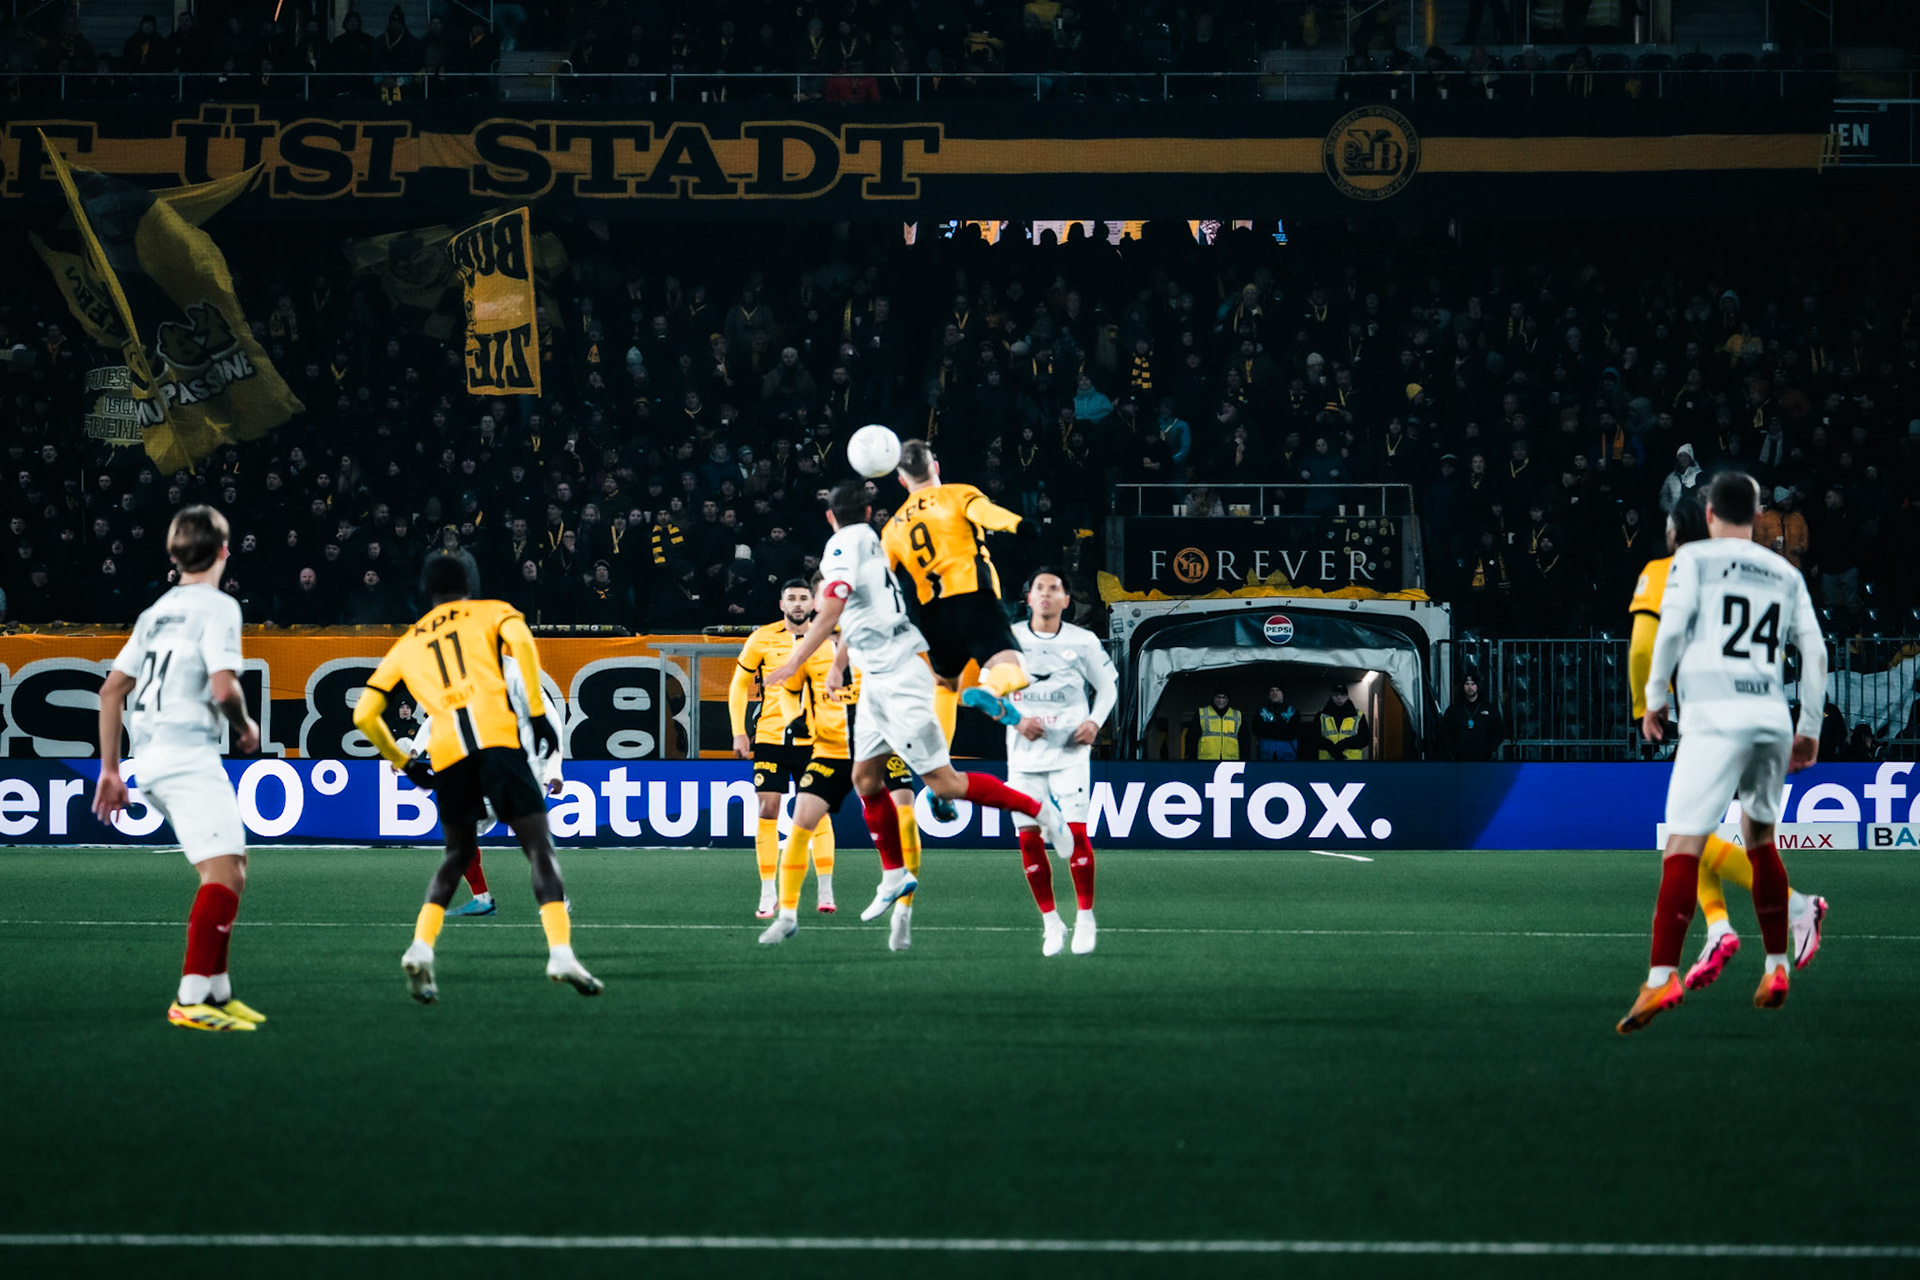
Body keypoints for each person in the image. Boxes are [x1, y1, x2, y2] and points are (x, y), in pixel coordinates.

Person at [764, 481, 1071, 946]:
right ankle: (893, 875)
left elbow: (832, 609)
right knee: (864, 779)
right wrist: (840, 664)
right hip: (876, 678)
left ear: (830, 517)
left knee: (944, 783)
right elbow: (855, 614)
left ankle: (1039, 810)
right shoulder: (877, 541)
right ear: (870, 510)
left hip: (899, 680)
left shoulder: (842, 546)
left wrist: (794, 661)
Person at [1621, 472, 1827, 1034]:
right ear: (1759, 518)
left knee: (1682, 846)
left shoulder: (1694, 560)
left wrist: (1655, 700)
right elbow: (1815, 651)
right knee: (1760, 839)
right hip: (1771, 720)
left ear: (1708, 515)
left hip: (1714, 717)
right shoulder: (1785, 572)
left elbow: (1668, 633)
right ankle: (1776, 966)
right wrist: (1808, 728)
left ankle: (1662, 976)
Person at [352, 557, 600, 1003]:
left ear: (425, 591)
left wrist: (405, 761)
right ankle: (560, 952)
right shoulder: (490, 611)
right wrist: (537, 712)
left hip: (450, 757)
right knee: (538, 848)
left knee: (456, 855)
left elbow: (364, 714)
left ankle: (420, 947)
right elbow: (521, 641)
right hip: (499, 745)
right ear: (470, 583)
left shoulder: (409, 642)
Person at [92, 506, 263, 1033]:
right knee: (222, 874)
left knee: (232, 867)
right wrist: (245, 726)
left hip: (152, 757)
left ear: (174, 554)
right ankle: (190, 999)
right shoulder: (220, 607)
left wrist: (110, 770)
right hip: (187, 754)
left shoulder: (156, 612)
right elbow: (223, 687)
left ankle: (218, 991)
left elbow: (111, 691)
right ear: (224, 551)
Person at [881, 438, 1038, 735]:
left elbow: (880, 577)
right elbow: (986, 514)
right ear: (935, 466)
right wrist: (1018, 524)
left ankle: (938, 757)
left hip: (931, 614)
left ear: (902, 481)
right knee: (1015, 667)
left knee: (945, 684)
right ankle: (990, 692)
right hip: (972, 597)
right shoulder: (957, 494)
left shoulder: (893, 527)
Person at [395, 653, 565, 918]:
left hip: (521, 769)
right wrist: (416, 749)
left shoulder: (517, 673)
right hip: (486, 768)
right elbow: (441, 714)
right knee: (463, 837)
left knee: (533, 839)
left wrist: (554, 770)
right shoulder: (466, 674)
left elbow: (551, 720)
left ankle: (556, 902)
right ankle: (482, 899)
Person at [1006, 569, 1117, 956]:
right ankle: (1051, 922)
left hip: (1070, 753)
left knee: (1077, 834)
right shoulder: (1010, 639)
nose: (1047, 594)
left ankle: (1085, 917)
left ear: (1066, 600)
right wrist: (1016, 720)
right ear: (1029, 598)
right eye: (1040, 588)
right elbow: (989, 689)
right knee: (1028, 839)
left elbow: (1108, 687)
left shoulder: (1083, 641)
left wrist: (1094, 722)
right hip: (1023, 757)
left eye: (1055, 588)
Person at [729, 579, 826, 918]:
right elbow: (739, 685)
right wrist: (739, 732)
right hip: (770, 738)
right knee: (767, 809)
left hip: (815, 740)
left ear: (813, 603)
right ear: (782, 605)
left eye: (803, 598)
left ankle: (825, 890)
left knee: (817, 814)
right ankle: (768, 892)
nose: (798, 603)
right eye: (791, 598)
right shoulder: (762, 638)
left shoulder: (828, 638)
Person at [1436, 672, 1504, 761]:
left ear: (1478, 686)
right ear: (1463, 686)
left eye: (1473, 684)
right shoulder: (1453, 710)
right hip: (1459, 760)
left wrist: (1488, 749)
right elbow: (1445, 733)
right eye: (1467, 684)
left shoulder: (1489, 708)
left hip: (1484, 759)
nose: (1470, 687)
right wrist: (1455, 750)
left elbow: (1499, 731)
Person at [1313, 685, 1369, 761]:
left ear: (1347, 696)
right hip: (1327, 763)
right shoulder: (1321, 716)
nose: (1339, 697)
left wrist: (1344, 744)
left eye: (1342, 694)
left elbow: (1364, 739)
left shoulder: (1359, 716)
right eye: (1336, 695)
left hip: (1352, 763)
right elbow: (1314, 738)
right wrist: (1330, 747)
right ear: (1331, 696)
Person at [1251, 684, 1299, 762]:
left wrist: (1269, 727)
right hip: (1266, 757)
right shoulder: (1261, 712)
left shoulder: (1293, 712)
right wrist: (1280, 727)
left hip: (1288, 757)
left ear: (1283, 693)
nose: (1274, 693)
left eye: (1277, 690)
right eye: (1272, 690)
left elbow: (1292, 732)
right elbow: (1257, 730)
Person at [1194, 690, 1242, 761]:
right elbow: (1192, 738)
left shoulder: (1237, 715)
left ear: (1228, 699)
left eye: (1224, 697)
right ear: (1213, 698)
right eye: (1218, 697)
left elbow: (1244, 741)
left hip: (1231, 761)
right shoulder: (1202, 713)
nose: (1220, 700)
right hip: (1206, 760)